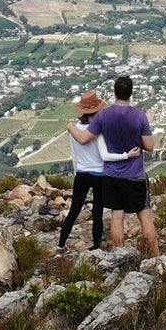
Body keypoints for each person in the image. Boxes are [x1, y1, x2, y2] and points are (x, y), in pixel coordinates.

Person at [86, 73, 159, 257]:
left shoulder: (103, 116)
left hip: (111, 175)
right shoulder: (139, 117)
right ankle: (156, 259)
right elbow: (150, 146)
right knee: (145, 217)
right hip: (135, 175)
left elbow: (86, 137)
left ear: (115, 92)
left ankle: (120, 257)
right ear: (131, 93)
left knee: (117, 217)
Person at [59, 91, 108, 250]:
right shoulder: (99, 129)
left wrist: (76, 171)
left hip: (81, 173)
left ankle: (61, 243)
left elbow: (74, 154)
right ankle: (96, 244)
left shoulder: (74, 128)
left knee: (74, 210)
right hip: (100, 174)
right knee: (97, 212)